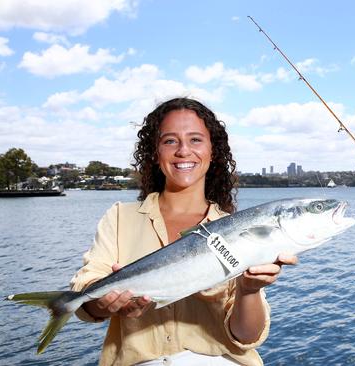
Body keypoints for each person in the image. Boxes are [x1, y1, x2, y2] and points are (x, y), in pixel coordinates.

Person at [70, 97, 297, 366]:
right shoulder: (120, 217)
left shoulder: (240, 231)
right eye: (170, 141)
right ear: (155, 153)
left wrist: (249, 290)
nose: (183, 151)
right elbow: (85, 297)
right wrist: (105, 301)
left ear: (214, 152)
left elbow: (246, 336)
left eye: (196, 140)